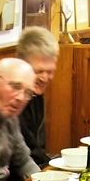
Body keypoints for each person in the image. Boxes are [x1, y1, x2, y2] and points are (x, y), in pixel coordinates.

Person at [16, 27, 59, 165]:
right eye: (39, 71)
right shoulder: (13, 98)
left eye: (50, 71)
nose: (45, 78)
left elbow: (38, 149)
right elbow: (23, 157)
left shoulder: (35, 94)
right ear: (21, 63)